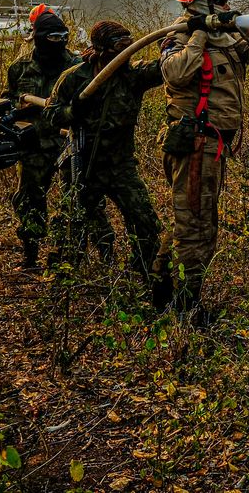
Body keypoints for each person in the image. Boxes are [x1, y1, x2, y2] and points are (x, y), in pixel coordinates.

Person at [160, 0, 249, 323]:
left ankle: (164, 290)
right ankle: (183, 307)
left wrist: (241, 25)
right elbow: (176, 74)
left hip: (214, 146)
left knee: (198, 220)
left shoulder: (228, 36)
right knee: (195, 228)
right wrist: (197, 35)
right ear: (200, 4)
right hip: (196, 143)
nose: (227, 3)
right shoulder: (178, 39)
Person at [43, 20, 165, 304]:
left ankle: (151, 278)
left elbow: (164, 69)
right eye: (118, 47)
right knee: (71, 224)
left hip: (121, 165)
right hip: (83, 163)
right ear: (100, 48)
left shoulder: (132, 75)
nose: (125, 53)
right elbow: (51, 115)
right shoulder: (75, 77)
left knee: (143, 219)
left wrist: (187, 35)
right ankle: (61, 286)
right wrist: (75, 109)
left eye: (128, 45)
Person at [2, 5, 82, 269]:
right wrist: (19, 104)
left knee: (72, 202)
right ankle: (31, 256)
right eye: (52, 37)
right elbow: (8, 99)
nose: (57, 43)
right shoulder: (20, 68)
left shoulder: (78, 67)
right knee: (28, 201)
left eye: (62, 37)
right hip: (33, 145)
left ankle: (64, 258)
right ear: (38, 38)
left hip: (68, 145)